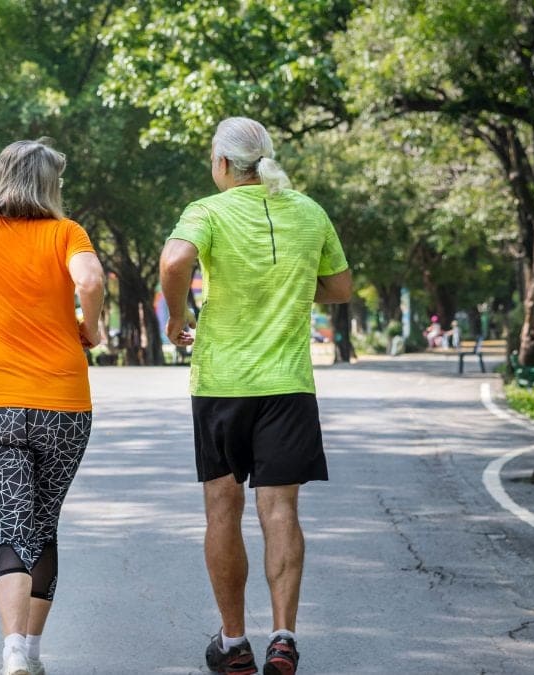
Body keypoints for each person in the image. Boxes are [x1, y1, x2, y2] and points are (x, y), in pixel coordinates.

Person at [159, 117, 351, 675]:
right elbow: (339, 288)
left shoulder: (208, 211)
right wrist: (289, 283)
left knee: (223, 507)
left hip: (221, 384)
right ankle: (284, 637)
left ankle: (234, 642)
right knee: (281, 509)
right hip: (288, 385)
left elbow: (174, 262)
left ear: (222, 165)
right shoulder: (308, 210)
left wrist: (177, 315)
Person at [0, 138, 105, 675]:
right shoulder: (67, 234)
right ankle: (30, 653)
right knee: (43, 522)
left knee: (13, 524)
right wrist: (90, 327)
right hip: (62, 403)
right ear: (48, 185)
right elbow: (91, 279)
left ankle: (13, 652)